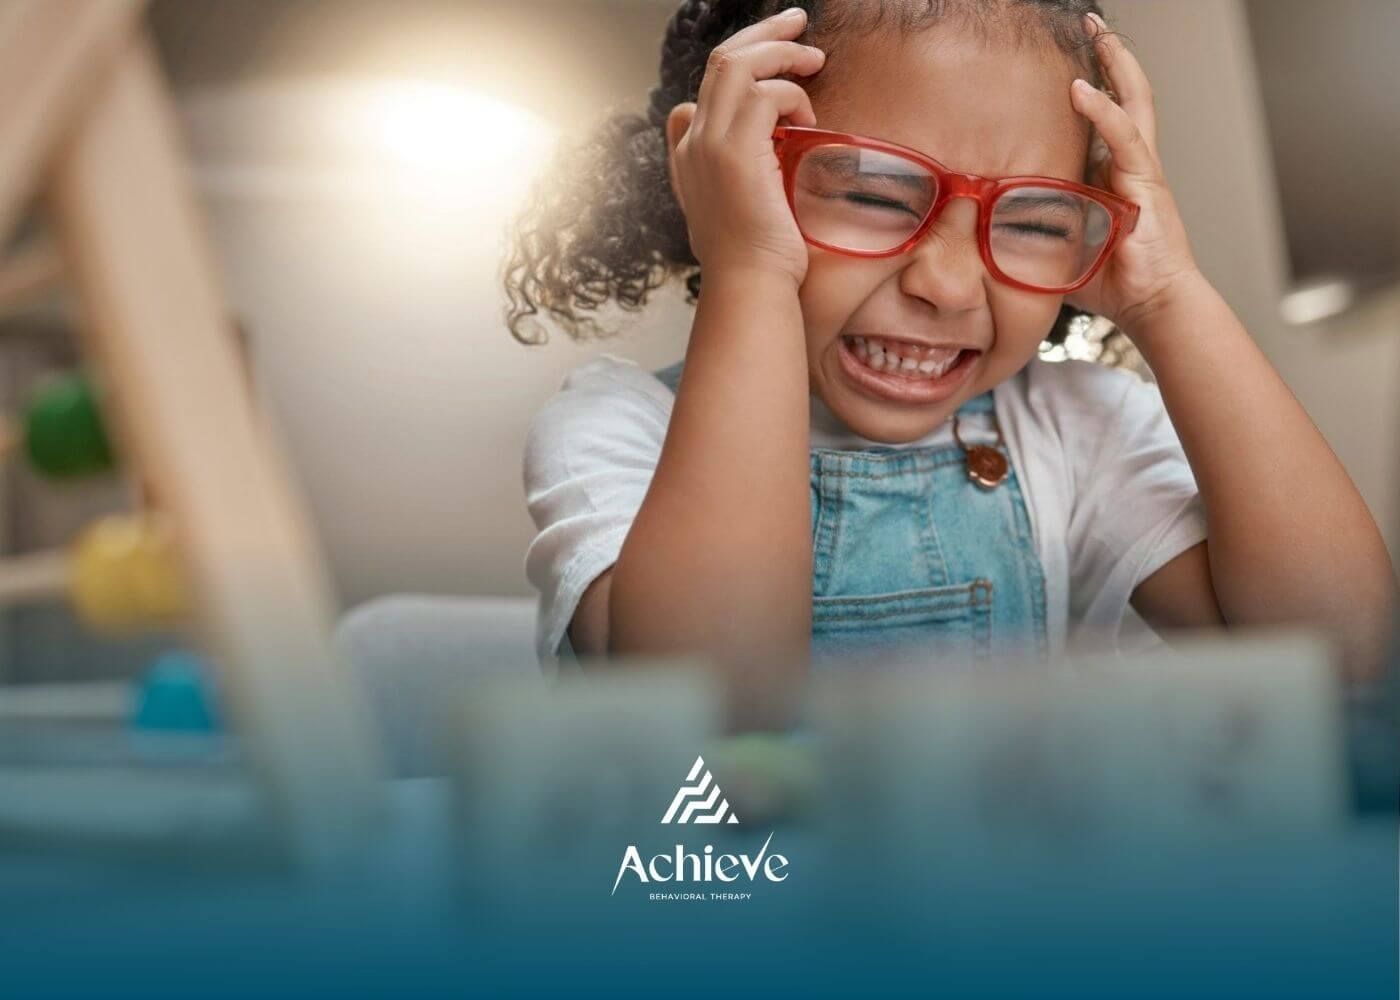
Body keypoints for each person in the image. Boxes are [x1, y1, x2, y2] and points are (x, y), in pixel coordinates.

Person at [507, 1, 1395, 723]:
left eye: (1037, 220)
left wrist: (1168, 293)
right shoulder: (615, 429)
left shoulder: (1075, 431)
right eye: (870, 193)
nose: (949, 284)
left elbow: (1343, 663)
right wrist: (751, 270)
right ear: (718, 175)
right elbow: (712, 721)